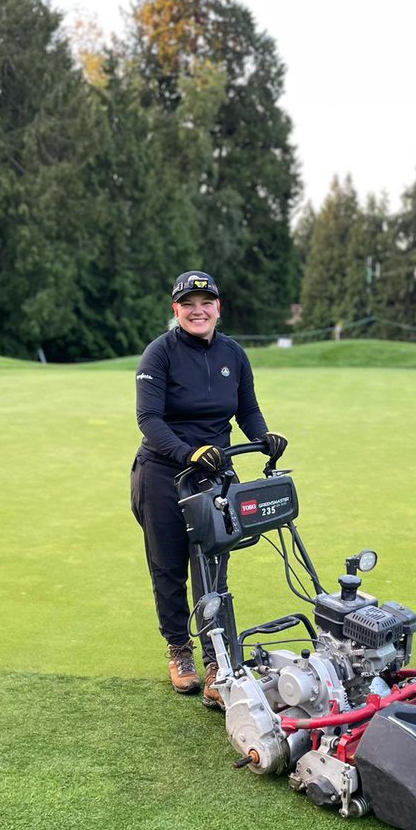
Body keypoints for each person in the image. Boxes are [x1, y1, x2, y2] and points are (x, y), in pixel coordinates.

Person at [130, 270, 287, 707]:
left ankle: (217, 659)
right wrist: (187, 452)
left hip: (215, 473)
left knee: (213, 570)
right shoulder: (159, 354)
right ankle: (179, 649)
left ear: (218, 307)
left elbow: (247, 409)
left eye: (206, 302)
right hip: (163, 471)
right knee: (169, 565)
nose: (197, 310)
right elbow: (149, 420)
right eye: (188, 303)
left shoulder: (232, 354)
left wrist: (265, 438)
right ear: (175, 309)